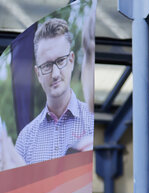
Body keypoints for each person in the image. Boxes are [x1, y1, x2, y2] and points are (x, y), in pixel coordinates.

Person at [14, 15, 95, 165]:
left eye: (61, 61)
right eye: (47, 66)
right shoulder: (26, 139)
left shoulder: (92, 121)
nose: (56, 74)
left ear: (71, 61)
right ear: (38, 73)